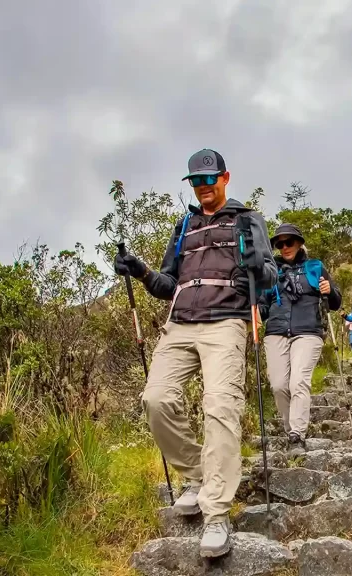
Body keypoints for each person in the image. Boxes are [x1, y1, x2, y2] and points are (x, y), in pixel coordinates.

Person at [114, 148, 275, 559]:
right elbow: (169, 283)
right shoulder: (184, 224)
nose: (204, 187)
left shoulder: (247, 219)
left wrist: (258, 267)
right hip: (181, 321)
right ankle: (199, 475)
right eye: (197, 181)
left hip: (226, 323)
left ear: (225, 177)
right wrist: (141, 271)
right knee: (156, 399)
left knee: (221, 406)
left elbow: (270, 277)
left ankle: (217, 512)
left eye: (210, 179)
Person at [258, 223, 342, 457]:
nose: (284, 247)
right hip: (275, 331)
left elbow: (335, 303)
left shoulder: (315, 267)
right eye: (280, 243)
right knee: (278, 386)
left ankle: (297, 434)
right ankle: (290, 430)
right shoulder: (271, 272)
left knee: (298, 382)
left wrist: (329, 290)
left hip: (308, 331)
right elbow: (263, 307)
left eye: (289, 242)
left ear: (299, 243)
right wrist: (253, 309)